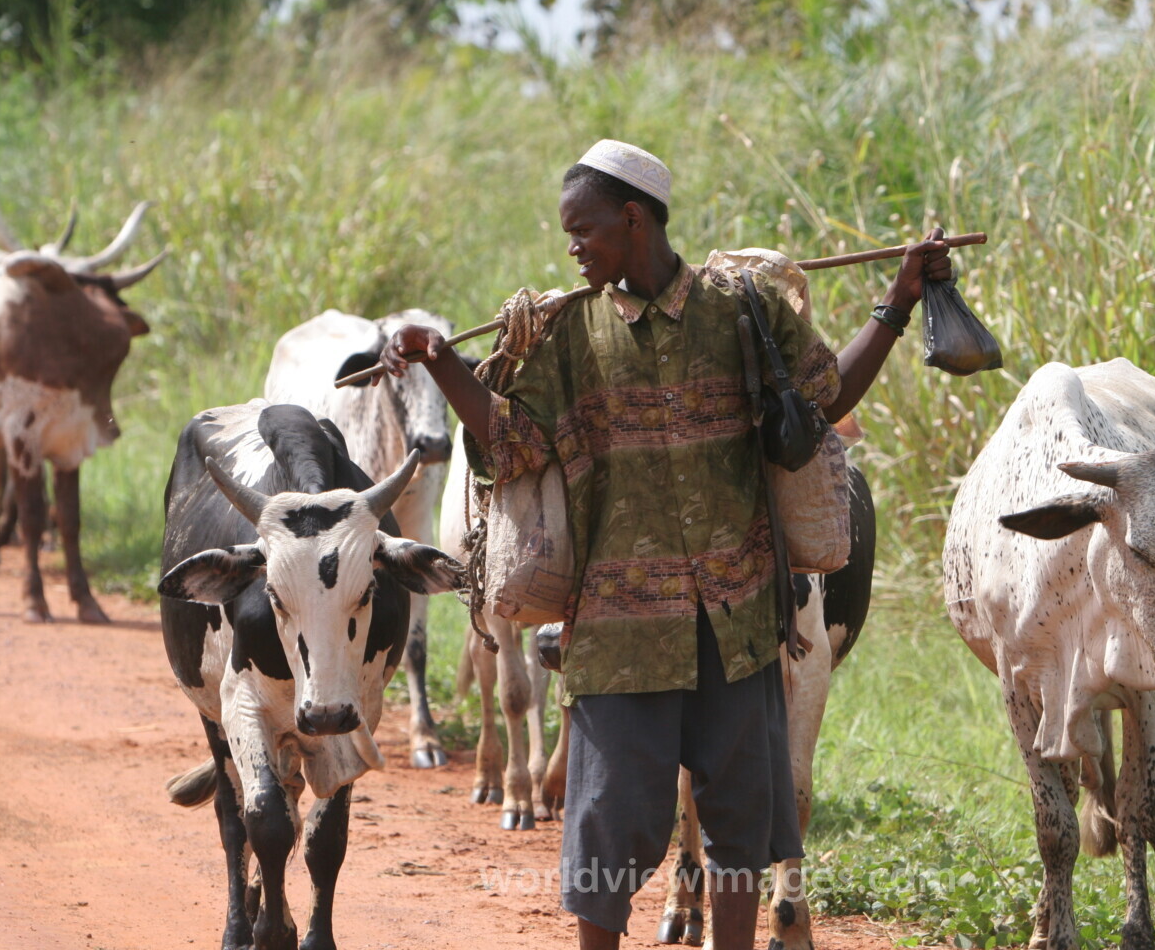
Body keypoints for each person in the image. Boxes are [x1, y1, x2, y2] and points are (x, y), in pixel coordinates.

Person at [380, 140, 955, 950]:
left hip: (740, 623)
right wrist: (442, 364)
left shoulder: (741, 310)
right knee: (605, 834)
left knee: (740, 827)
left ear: (634, 217)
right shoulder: (567, 334)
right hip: (615, 634)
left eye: (583, 230)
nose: (571, 247)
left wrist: (896, 302)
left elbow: (825, 398)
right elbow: (512, 448)